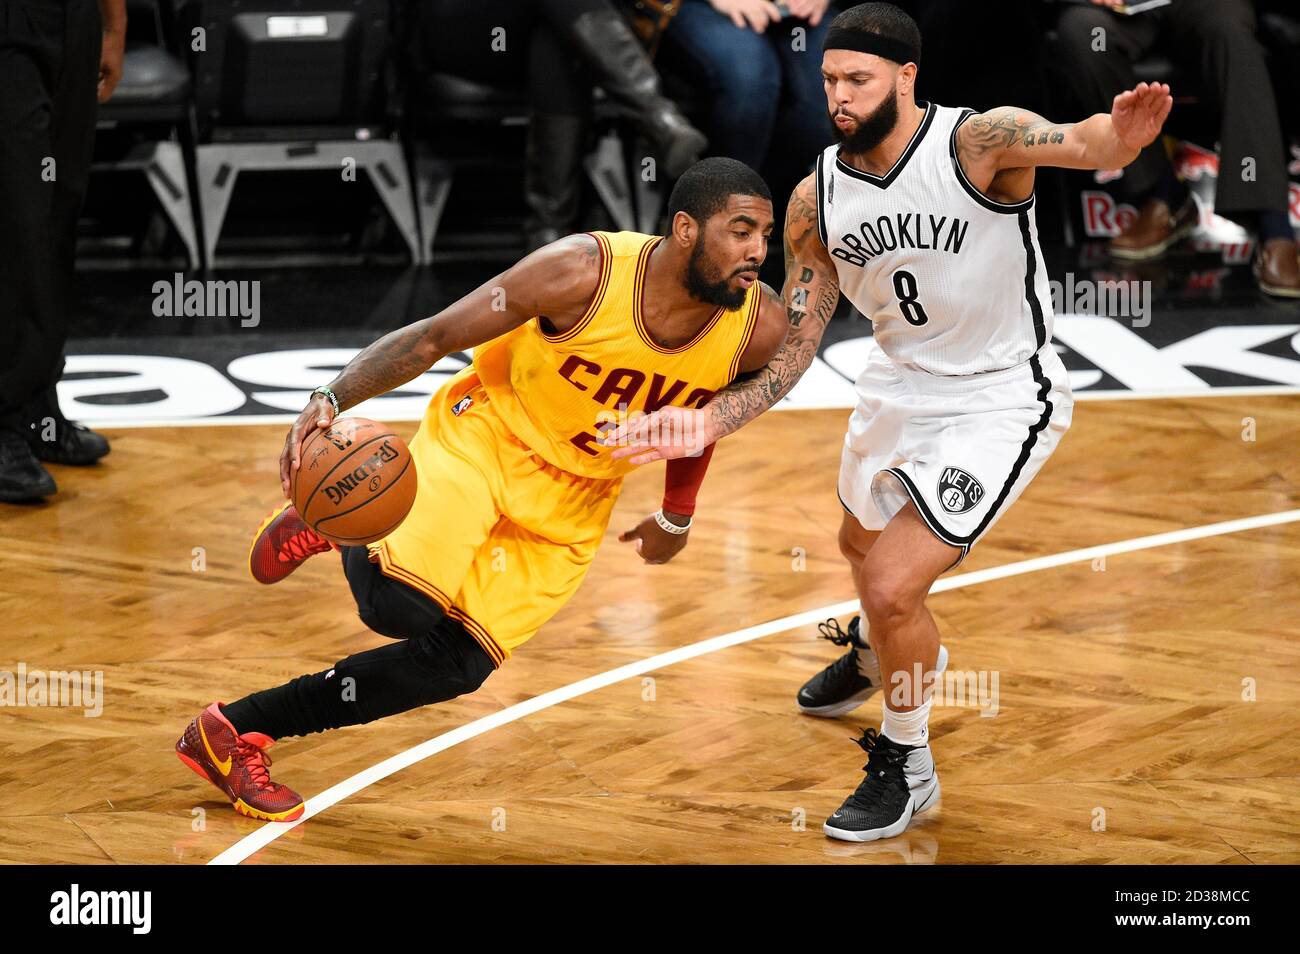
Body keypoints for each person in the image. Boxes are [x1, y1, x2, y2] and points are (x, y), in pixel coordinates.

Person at [607, 3, 1172, 842]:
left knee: (893, 584)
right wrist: (707, 423)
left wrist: (1122, 136)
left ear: (907, 78)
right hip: (896, 385)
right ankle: (879, 653)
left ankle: (908, 763)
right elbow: (795, 348)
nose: (838, 94)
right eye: (829, 78)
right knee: (857, 548)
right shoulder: (813, 201)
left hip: (999, 393)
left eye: (858, 79)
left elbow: (1084, 142)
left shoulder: (980, 142)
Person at [174, 158, 788, 821]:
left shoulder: (758, 327)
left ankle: (231, 734)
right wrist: (330, 395)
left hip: (575, 498)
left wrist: (677, 513)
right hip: (489, 437)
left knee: (456, 666)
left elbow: (703, 417)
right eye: (741, 230)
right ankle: (337, 517)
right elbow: (438, 335)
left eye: (766, 234)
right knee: (398, 608)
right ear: (687, 229)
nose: (757, 251)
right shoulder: (581, 272)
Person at [1053, 0, 1298, 296]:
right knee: (1086, 33)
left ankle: (1274, 228)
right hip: (1123, 10)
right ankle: (1165, 196)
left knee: (1230, 32)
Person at [0, 0, 120, 503]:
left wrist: (113, 22)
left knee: (59, 212)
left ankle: (36, 409)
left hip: (73, 17)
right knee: (15, 216)